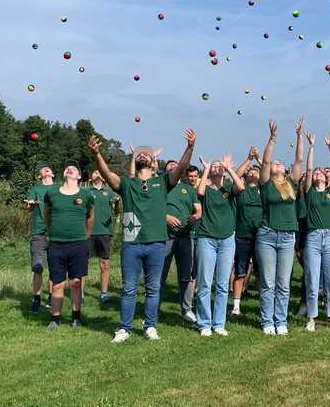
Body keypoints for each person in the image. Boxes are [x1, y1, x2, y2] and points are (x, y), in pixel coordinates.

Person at [88, 129, 196, 343]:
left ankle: (150, 326)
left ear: (154, 162)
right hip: (132, 244)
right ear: (135, 162)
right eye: (139, 155)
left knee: (153, 288)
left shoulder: (162, 183)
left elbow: (182, 168)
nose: (143, 155)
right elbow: (108, 175)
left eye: (146, 154)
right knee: (129, 289)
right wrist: (96, 155)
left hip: (156, 244)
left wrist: (190, 147)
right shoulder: (127, 185)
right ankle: (124, 328)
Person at [256, 119, 303, 335]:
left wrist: (299, 136)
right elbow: (265, 162)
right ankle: (267, 321)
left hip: (287, 237)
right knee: (268, 283)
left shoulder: (291, 183)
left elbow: (299, 160)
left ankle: (280, 321)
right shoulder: (266, 185)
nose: (277, 163)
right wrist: (272, 139)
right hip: (267, 235)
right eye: (275, 163)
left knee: (283, 284)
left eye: (279, 163)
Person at [195, 154, 245, 336]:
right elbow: (199, 193)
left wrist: (229, 168)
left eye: (218, 165)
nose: (216, 166)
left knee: (223, 284)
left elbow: (241, 187)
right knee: (205, 283)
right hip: (206, 239)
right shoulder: (206, 189)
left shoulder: (229, 188)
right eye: (214, 165)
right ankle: (204, 324)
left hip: (227, 240)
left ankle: (219, 324)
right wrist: (206, 169)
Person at [43, 161, 95, 328]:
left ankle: (76, 317)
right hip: (56, 245)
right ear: (64, 173)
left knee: (75, 282)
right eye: (67, 167)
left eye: (74, 168)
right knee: (57, 283)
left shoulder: (86, 195)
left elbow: (90, 217)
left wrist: (86, 236)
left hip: (78, 245)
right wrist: (52, 231)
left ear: (79, 176)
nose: (70, 168)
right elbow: (47, 214)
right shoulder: (52, 193)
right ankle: (55, 318)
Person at [302, 132, 330, 331]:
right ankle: (311, 318)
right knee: (312, 279)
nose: (318, 173)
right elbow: (308, 169)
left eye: (321, 172)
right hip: (313, 238)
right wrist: (311, 146)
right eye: (316, 173)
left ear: (326, 178)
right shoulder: (310, 193)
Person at [159, 163, 202, 323]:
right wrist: (165, 217)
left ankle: (187, 310)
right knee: (159, 276)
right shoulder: (160, 188)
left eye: (176, 166)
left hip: (185, 237)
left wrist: (196, 216)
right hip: (165, 236)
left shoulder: (188, 189)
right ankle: (154, 310)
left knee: (186, 276)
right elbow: (152, 208)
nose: (173, 168)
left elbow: (198, 209)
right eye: (170, 166)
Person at [231, 147, 262, 316]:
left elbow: (267, 171)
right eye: (250, 171)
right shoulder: (241, 190)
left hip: (261, 237)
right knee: (240, 272)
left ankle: (263, 305)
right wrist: (249, 159)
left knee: (260, 273)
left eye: (256, 172)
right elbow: (236, 173)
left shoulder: (264, 190)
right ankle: (236, 306)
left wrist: (259, 159)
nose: (253, 173)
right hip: (242, 237)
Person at [88, 169, 121, 304]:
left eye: (99, 172)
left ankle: (103, 293)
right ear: (90, 177)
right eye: (94, 172)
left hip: (104, 231)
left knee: (105, 264)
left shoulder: (110, 192)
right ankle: (81, 296)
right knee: (84, 264)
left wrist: (118, 203)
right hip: (88, 232)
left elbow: (117, 211)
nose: (97, 174)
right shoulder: (86, 192)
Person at [26, 162, 55, 313]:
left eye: (48, 168)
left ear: (53, 174)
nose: (46, 168)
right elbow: (29, 205)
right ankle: (36, 299)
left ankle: (51, 297)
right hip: (38, 232)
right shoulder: (35, 189)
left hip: (56, 232)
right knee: (37, 267)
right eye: (43, 169)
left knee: (54, 268)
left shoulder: (58, 189)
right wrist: (31, 203)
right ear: (40, 175)